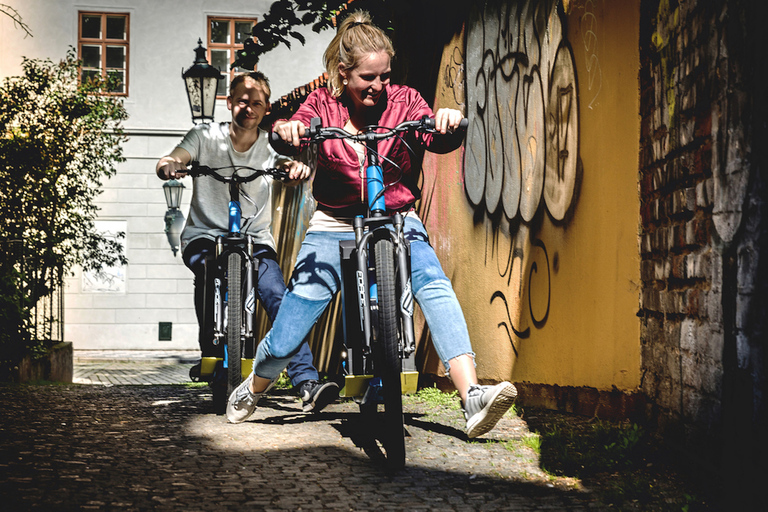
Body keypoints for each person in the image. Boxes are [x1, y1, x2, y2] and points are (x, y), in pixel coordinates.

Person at [226, 11, 517, 438]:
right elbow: (296, 128)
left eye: (385, 76)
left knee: (433, 284)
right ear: (344, 74)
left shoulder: (405, 100)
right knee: (293, 322)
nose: (379, 87)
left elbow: (433, 136)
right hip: (334, 221)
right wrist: (287, 130)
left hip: (398, 216)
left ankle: (471, 395)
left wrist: (447, 123)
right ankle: (255, 385)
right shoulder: (321, 105)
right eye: (368, 77)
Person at [156, 71, 339, 413]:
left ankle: (306, 381)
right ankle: (210, 351)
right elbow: (177, 156)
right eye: (242, 100)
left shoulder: (269, 144)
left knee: (277, 294)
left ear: (266, 108)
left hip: (255, 240)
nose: (249, 108)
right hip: (205, 237)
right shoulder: (205, 136)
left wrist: (294, 170)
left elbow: (283, 162)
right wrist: (171, 165)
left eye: (256, 103)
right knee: (209, 270)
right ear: (229, 102)